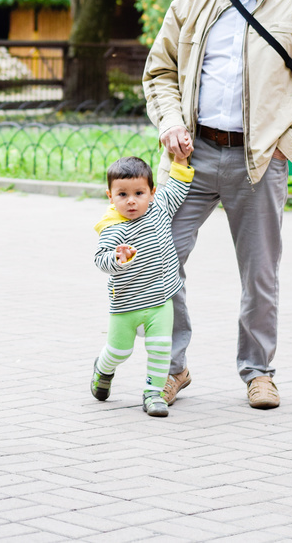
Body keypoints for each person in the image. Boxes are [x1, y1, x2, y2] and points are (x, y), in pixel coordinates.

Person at [143, 0, 292, 409]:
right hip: (191, 157)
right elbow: (159, 73)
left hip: (259, 161)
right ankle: (172, 368)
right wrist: (169, 123)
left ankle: (258, 372)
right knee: (160, 262)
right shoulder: (193, 1)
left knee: (259, 273)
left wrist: (285, 144)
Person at [90, 153, 193, 417]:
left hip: (160, 300)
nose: (132, 200)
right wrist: (116, 257)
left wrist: (180, 161)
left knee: (160, 348)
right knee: (119, 351)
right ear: (110, 197)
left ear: (152, 192)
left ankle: (153, 394)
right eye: (122, 194)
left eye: (139, 193)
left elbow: (178, 187)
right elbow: (100, 259)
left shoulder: (160, 208)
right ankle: (103, 368)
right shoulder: (112, 229)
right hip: (126, 304)